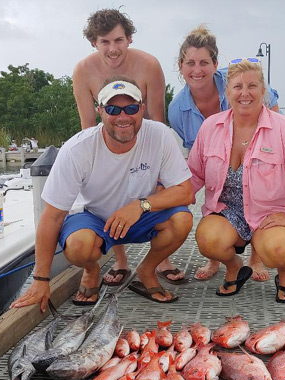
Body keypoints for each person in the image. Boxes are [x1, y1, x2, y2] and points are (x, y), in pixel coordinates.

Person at [11, 77, 193, 311]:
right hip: (94, 218)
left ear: (142, 109)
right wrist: (40, 279)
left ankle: (147, 270)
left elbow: (185, 192)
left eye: (131, 108)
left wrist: (140, 206)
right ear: (100, 111)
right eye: (113, 109)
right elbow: (52, 216)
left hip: (141, 216)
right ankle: (91, 269)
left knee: (183, 219)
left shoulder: (160, 135)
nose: (123, 116)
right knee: (77, 246)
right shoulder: (77, 149)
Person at [187, 59, 285, 302]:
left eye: (252, 86)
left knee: (278, 250)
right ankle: (235, 267)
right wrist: (165, 203)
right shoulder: (210, 127)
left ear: (263, 91)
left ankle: (284, 274)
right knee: (207, 239)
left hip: (273, 212)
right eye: (237, 87)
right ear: (227, 93)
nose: (245, 93)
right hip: (229, 212)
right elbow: (193, 174)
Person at [73, 8, 186, 286]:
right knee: (108, 191)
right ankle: (120, 260)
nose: (113, 49)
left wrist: (160, 178)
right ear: (93, 43)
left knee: (161, 199)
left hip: (144, 140)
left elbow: (157, 119)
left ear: (130, 38)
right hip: (106, 143)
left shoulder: (149, 65)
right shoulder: (83, 71)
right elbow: (88, 127)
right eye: (105, 42)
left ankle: (161, 260)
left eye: (118, 40)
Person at [168, 25, 280, 282]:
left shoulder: (240, 82)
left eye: (204, 62)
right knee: (217, 186)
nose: (197, 70)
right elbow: (199, 167)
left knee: (259, 190)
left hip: (257, 157)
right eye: (190, 63)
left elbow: (275, 115)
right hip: (220, 169)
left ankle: (256, 257)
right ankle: (216, 258)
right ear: (181, 66)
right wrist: (172, 197)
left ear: (215, 63)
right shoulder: (176, 110)